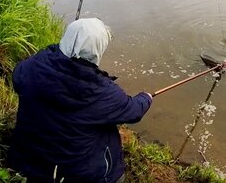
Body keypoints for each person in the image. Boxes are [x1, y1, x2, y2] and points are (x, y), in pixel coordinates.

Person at [8, 18, 153, 183]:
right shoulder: (103, 91)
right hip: (76, 176)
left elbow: (18, 77)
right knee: (116, 175)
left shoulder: (30, 66)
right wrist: (145, 97)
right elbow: (133, 111)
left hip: (27, 163)